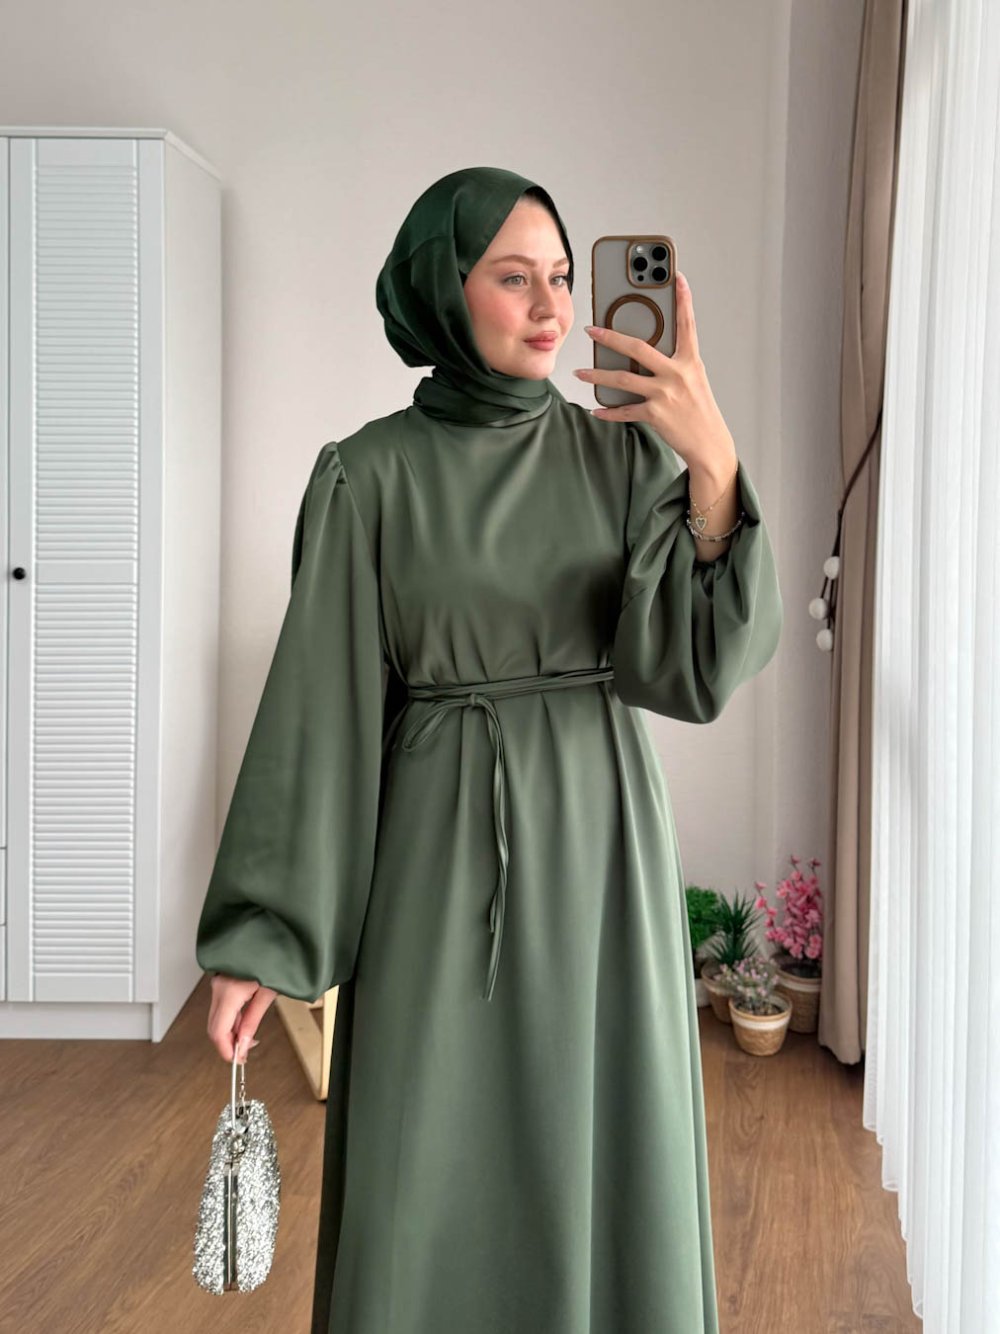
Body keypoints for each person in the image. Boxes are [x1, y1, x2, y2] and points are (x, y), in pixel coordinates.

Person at [196, 165, 783, 1334]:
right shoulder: (367, 475)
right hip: (437, 862)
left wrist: (711, 464)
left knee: (599, 1136)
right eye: (515, 277)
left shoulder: (624, 456)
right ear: (442, 286)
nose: (552, 305)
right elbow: (319, 714)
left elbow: (693, 667)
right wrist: (263, 936)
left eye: (561, 276)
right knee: (429, 1152)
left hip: (602, 856)